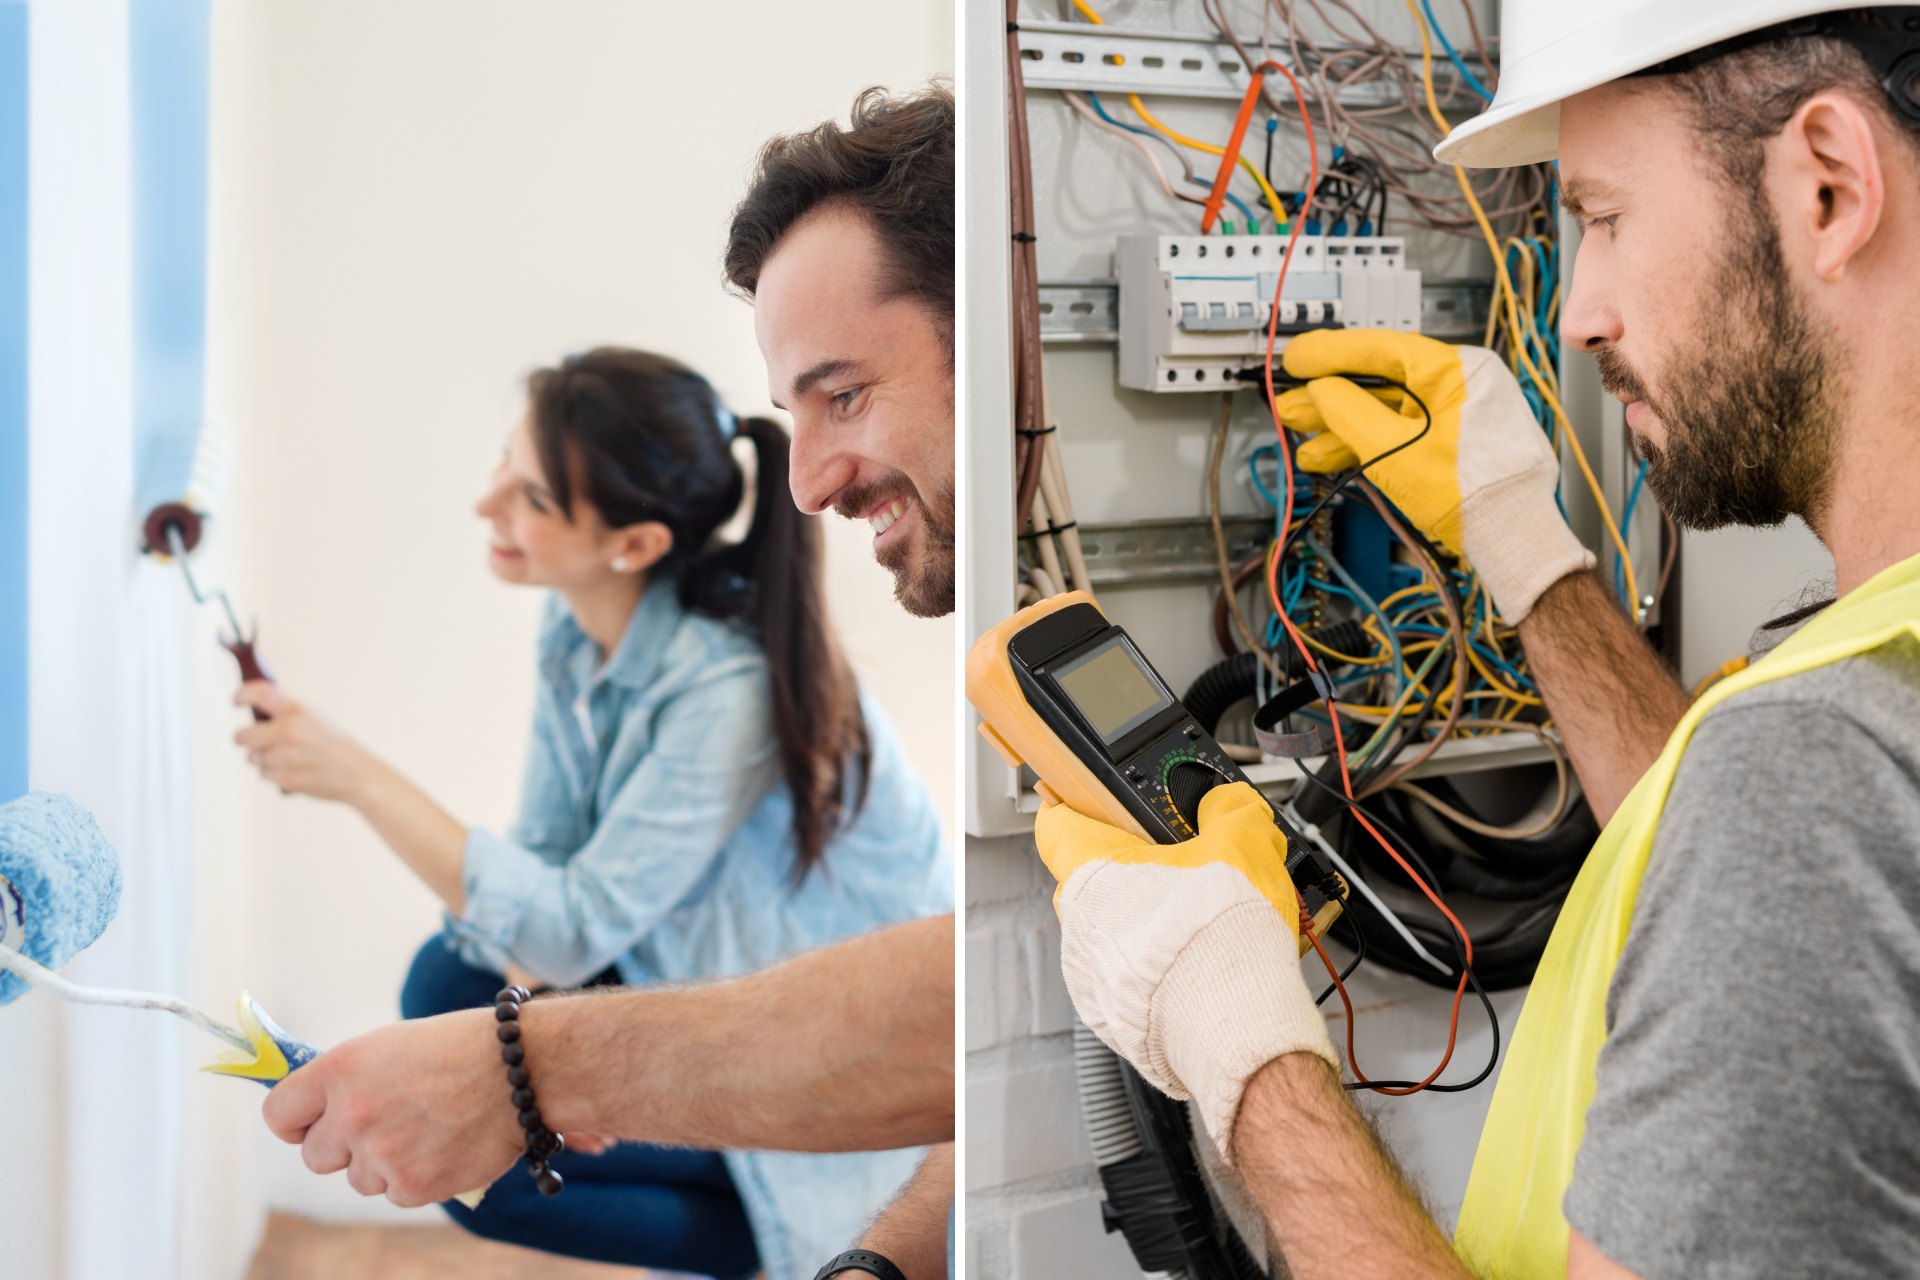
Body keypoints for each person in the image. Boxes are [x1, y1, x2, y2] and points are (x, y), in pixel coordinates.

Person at [1035, 9, 1920, 1280]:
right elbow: (1729, 860)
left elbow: (1787, 829)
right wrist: (1522, 542)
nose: (1581, 314)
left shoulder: (1814, 764)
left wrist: (1243, 1041)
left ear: (1828, 186)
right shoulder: (1860, 684)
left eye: (1605, 216)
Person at [259, 83, 959, 1280]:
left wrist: (353, 777)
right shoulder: (575, 641)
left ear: (630, 546)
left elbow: (573, 923)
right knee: (452, 981)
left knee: (471, 1052)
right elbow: (544, 883)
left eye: (530, 494)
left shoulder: (725, 688)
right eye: (505, 466)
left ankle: (782, 1227)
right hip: (695, 971)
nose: (489, 506)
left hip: (847, 1062)